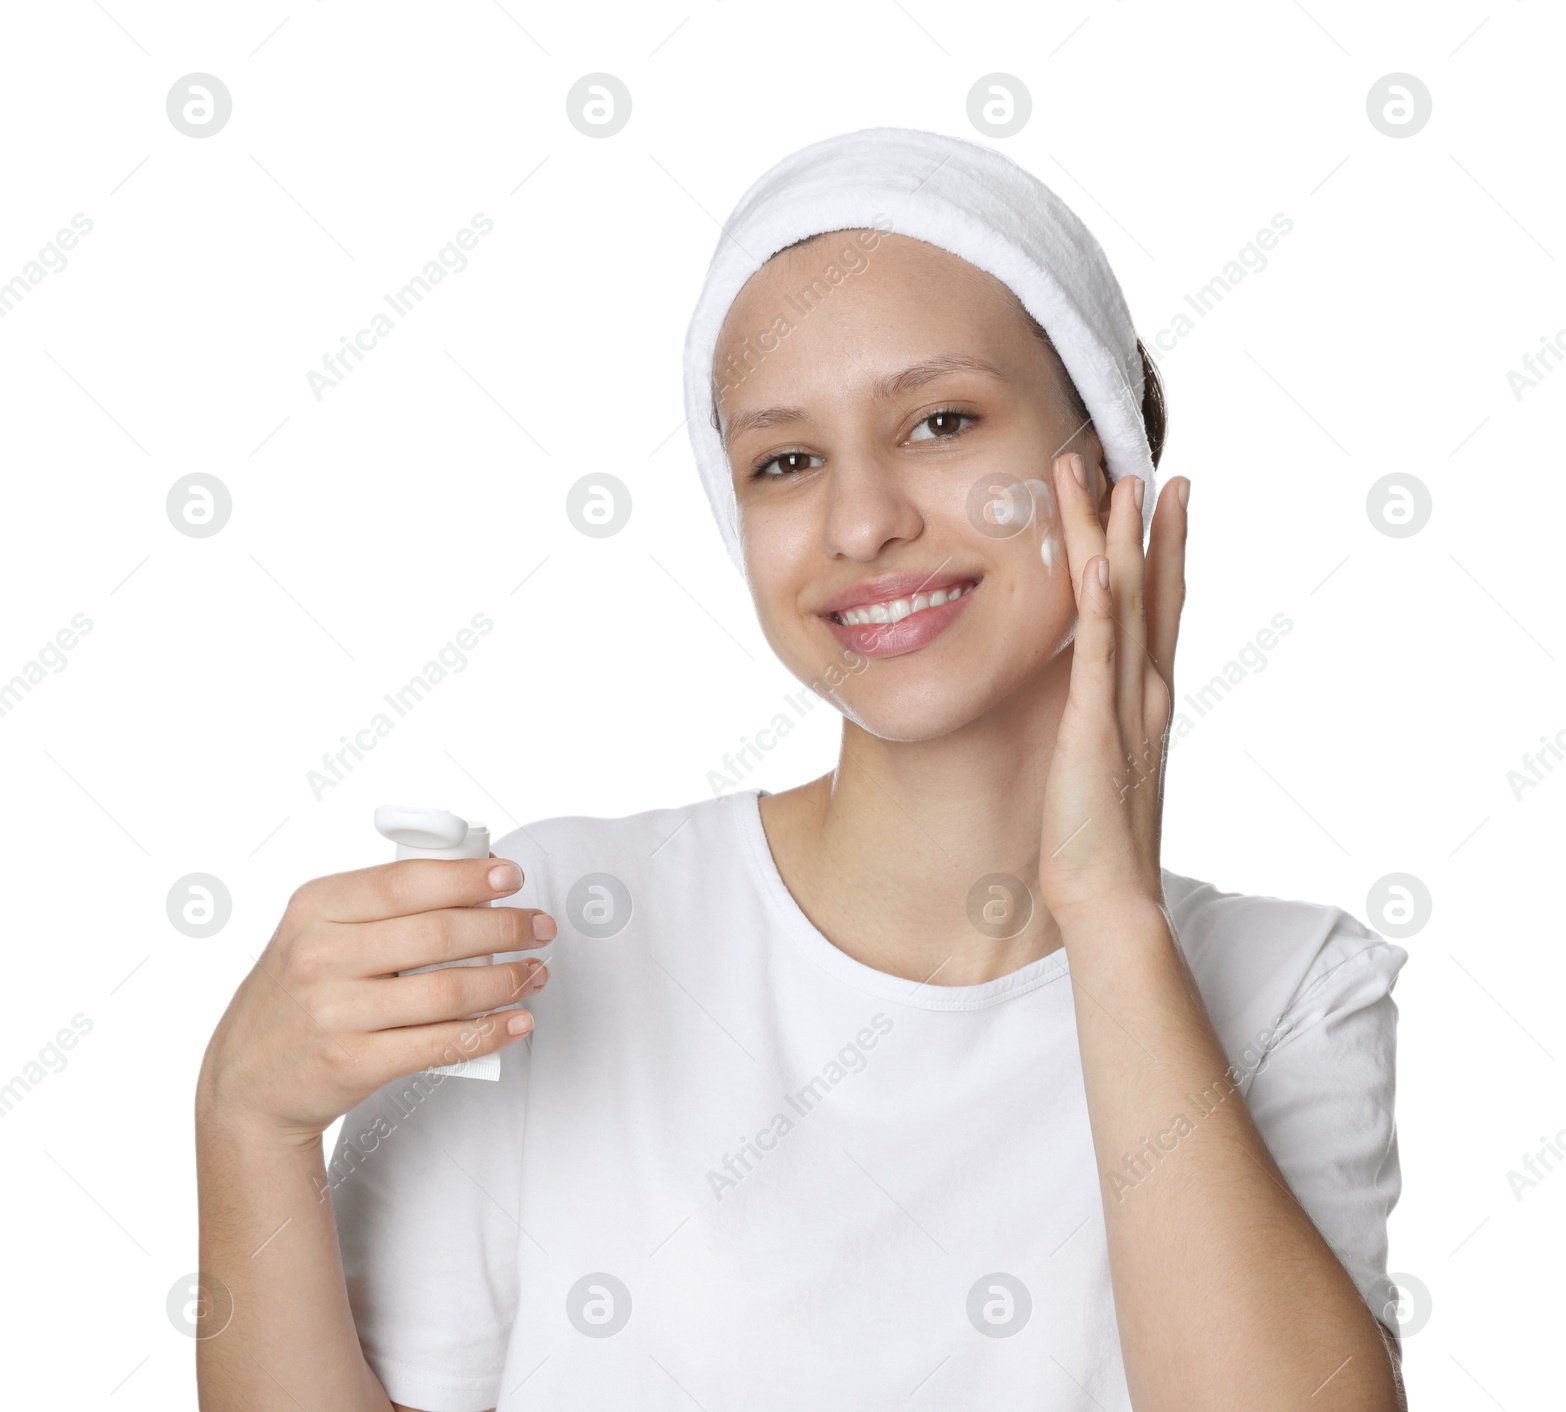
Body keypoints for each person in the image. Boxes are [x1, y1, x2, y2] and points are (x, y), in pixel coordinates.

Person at [196, 128, 1408, 1411]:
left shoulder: (1290, 994)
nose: (860, 521)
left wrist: (1109, 917)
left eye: (941, 421)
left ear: (1103, 464)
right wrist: (245, 1124)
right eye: (785, 460)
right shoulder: (547, 920)